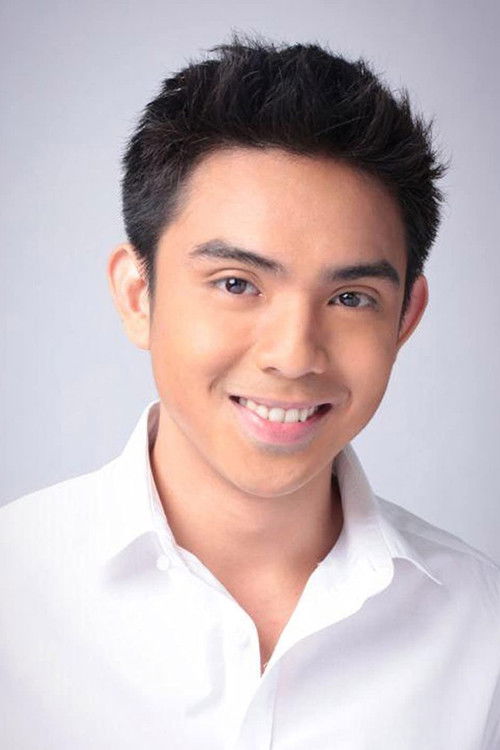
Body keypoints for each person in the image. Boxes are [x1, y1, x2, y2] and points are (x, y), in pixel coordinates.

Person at [1, 33, 498, 750]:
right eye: (237, 284)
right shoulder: (13, 595)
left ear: (405, 319)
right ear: (138, 295)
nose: (293, 356)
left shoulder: (481, 631)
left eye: (351, 298)